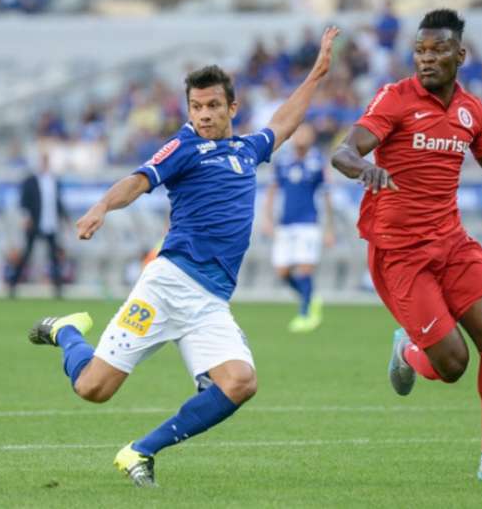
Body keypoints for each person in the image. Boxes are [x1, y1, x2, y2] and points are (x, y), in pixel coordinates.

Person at [27, 27, 340, 487]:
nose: (204, 115)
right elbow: (138, 179)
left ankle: (140, 451)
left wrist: (316, 74)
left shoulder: (246, 150)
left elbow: (284, 122)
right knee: (93, 389)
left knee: (240, 382)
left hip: (211, 301)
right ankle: (67, 331)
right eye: (196, 107)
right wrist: (102, 207)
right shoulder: (184, 146)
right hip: (168, 286)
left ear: (232, 107)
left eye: (213, 106)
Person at [331, 9, 482, 484]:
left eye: (437, 51)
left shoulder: (473, 111)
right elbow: (344, 150)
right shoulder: (395, 99)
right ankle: (410, 352)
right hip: (400, 252)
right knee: (452, 364)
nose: (426, 59)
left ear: (460, 55)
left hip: (451, 241)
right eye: (420, 51)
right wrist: (362, 168)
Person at [262, 123, 334, 333]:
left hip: (308, 223)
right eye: (299, 133)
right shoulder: (283, 162)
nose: (302, 136)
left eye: (306, 133)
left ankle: (305, 315)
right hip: (285, 223)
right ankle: (310, 298)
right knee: (283, 271)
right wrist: (268, 219)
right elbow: (272, 192)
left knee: (304, 268)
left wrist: (329, 229)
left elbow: (327, 195)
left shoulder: (318, 162)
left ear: (312, 137)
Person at [8, 151, 66, 298]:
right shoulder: (31, 180)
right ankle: (13, 284)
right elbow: (24, 201)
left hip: (50, 223)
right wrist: (26, 217)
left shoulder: (54, 181)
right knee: (27, 254)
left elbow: (58, 202)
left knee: (53, 256)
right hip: (35, 222)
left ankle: (58, 287)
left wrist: (64, 218)